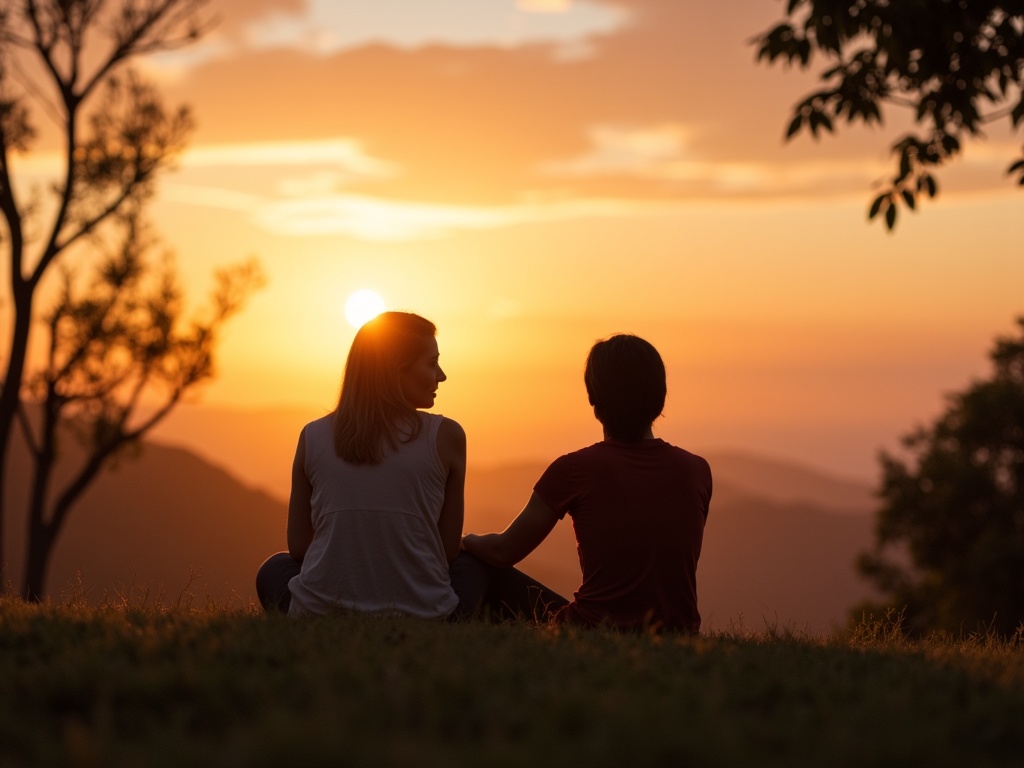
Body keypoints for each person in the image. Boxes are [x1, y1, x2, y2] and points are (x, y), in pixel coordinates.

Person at [462, 334, 712, 632]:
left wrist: (464, 541)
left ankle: (443, 634)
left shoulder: (574, 470)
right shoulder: (697, 471)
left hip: (591, 628)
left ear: (594, 398)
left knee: (472, 565)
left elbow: (503, 551)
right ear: (660, 397)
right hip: (677, 632)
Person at [255, 311, 467, 619]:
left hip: (319, 614)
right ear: (398, 371)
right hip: (421, 614)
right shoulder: (446, 437)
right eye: (432, 363)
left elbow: (300, 548)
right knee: (474, 568)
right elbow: (447, 553)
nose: (442, 375)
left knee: (275, 569)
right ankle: (558, 617)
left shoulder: (312, 436)